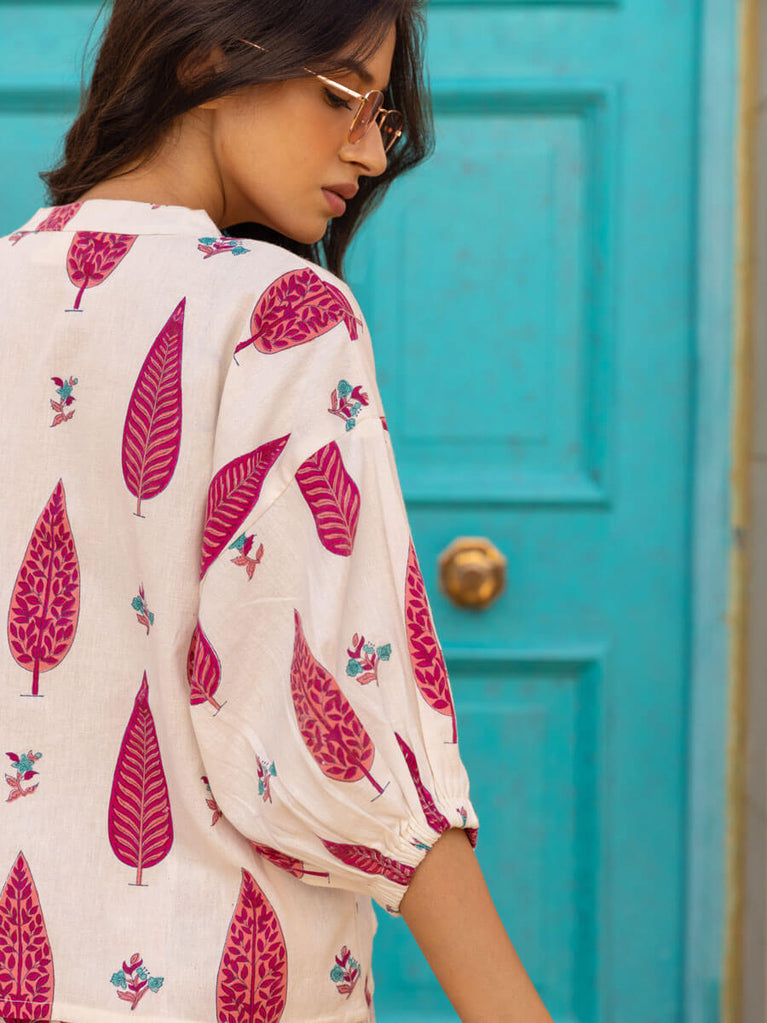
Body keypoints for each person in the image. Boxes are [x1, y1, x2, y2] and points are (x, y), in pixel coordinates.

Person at [0, 1, 555, 1021]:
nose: (369, 154)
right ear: (207, 55)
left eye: (383, 118)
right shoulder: (280, 312)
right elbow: (332, 712)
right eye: (344, 98)